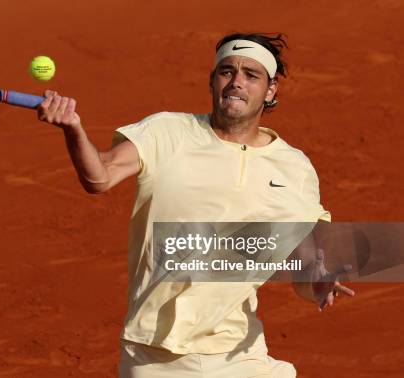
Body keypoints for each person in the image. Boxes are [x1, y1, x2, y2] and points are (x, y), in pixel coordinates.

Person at [37, 33, 354, 378]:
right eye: (227, 71)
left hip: (240, 354)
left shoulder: (294, 167)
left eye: (251, 75)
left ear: (271, 91)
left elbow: (304, 259)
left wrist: (316, 283)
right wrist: (73, 128)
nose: (236, 83)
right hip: (155, 357)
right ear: (212, 80)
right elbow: (100, 177)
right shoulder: (166, 132)